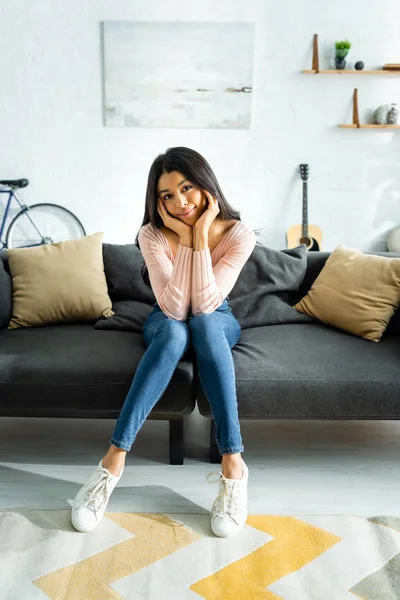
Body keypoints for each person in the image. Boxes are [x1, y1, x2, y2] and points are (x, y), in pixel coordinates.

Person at [71, 146, 257, 538]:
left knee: (204, 325)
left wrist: (199, 237)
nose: (180, 202)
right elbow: (173, 308)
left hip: (217, 320)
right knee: (175, 330)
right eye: (167, 195)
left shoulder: (239, 234)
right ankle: (111, 464)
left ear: (207, 185)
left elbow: (206, 305)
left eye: (187, 188)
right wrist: (187, 238)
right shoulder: (151, 234)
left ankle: (233, 466)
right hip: (165, 318)